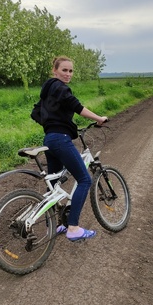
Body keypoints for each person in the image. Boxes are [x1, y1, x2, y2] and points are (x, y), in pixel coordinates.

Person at [37, 56, 107, 242]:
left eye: (70, 71)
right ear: (55, 71)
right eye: (64, 70)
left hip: (49, 139)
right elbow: (77, 107)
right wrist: (98, 118)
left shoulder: (47, 90)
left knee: (54, 185)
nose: (68, 74)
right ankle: (73, 227)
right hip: (61, 139)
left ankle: (55, 225)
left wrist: (60, 122)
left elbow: (39, 113)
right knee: (84, 179)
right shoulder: (60, 87)